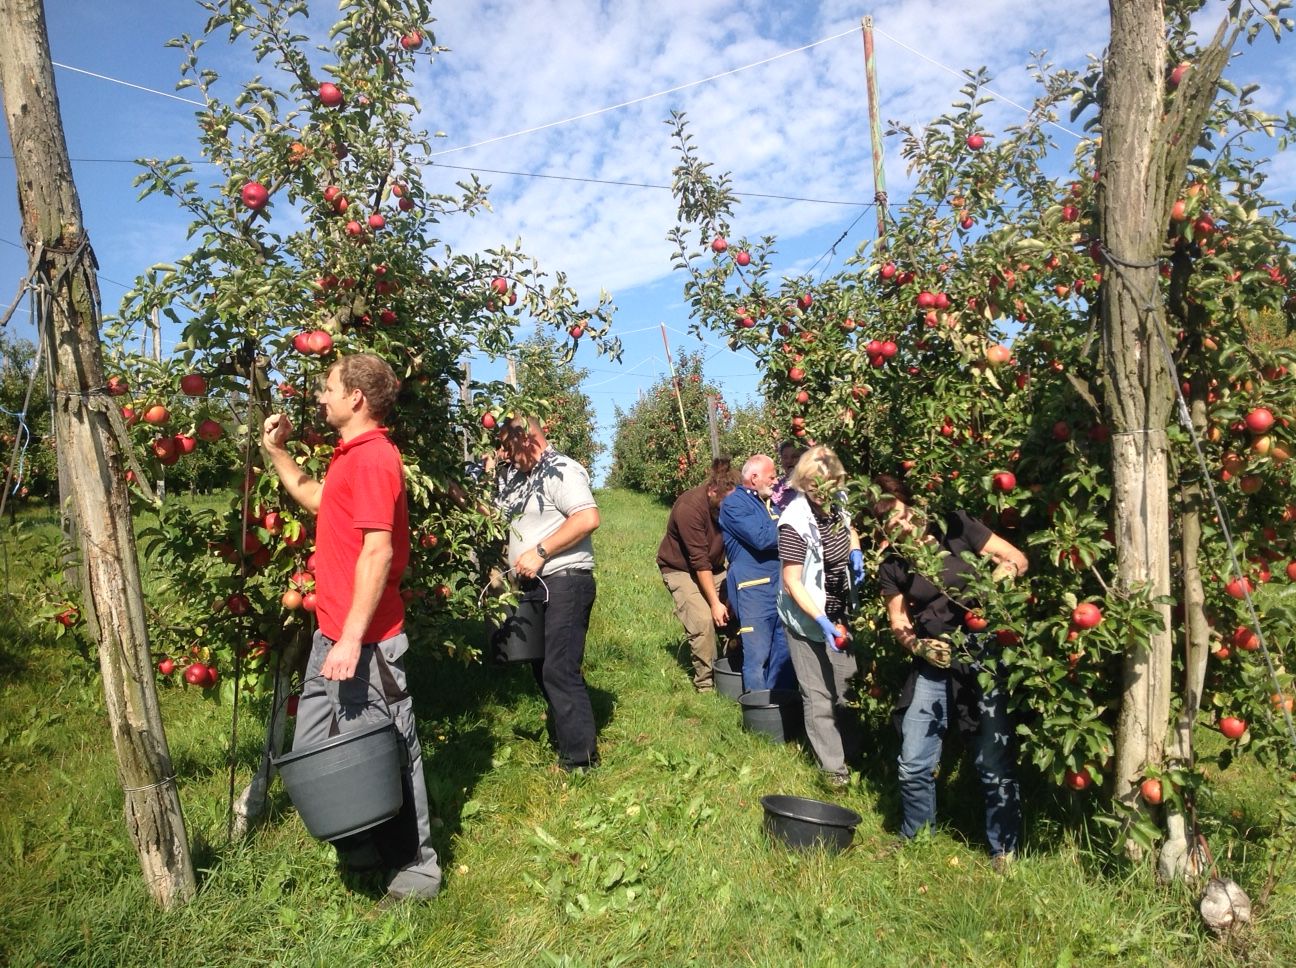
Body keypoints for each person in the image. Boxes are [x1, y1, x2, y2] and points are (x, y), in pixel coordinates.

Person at [261, 353, 441, 902]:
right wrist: (277, 452)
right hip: (332, 633)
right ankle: (361, 841)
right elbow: (318, 499)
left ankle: (416, 870)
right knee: (319, 744)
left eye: (328, 387)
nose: (321, 396)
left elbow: (379, 552)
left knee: (391, 745)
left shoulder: (373, 459)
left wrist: (353, 638)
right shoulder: (349, 457)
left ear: (356, 397)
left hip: (365, 640)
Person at [870, 472, 1029, 867]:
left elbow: (1017, 559)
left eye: (905, 516)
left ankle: (1003, 849)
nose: (904, 527)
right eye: (893, 526)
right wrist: (918, 646)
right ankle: (917, 835)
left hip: (984, 653)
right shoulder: (893, 565)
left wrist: (992, 590)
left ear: (915, 508)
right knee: (914, 757)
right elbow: (899, 622)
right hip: (934, 660)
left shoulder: (956, 528)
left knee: (992, 756)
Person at [495, 415, 601, 772]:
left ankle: (580, 759)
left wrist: (540, 552)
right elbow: (495, 519)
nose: (505, 456)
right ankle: (567, 737)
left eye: (508, 448)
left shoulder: (560, 470)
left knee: (559, 667)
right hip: (536, 586)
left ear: (527, 439)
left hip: (566, 581)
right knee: (542, 668)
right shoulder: (520, 478)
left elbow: (587, 517)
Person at [775, 445, 865, 786]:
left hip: (840, 610)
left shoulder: (837, 502)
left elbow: (850, 528)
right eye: (819, 486)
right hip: (806, 617)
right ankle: (834, 772)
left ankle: (854, 754)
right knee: (819, 695)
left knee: (847, 686)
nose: (826, 492)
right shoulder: (794, 521)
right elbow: (792, 581)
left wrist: (855, 551)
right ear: (806, 482)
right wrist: (821, 620)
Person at [657, 458, 738, 692]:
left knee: (742, 604)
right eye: (726, 502)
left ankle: (732, 662)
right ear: (713, 490)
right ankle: (706, 684)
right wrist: (714, 603)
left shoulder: (730, 504)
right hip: (681, 569)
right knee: (703, 620)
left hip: (714, 566)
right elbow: (699, 561)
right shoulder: (689, 508)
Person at [719, 453, 795, 692]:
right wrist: (792, 528)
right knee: (757, 656)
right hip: (753, 591)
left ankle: (779, 707)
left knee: (782, 654)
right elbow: (762, 538)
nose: (775, 481)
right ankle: (759, 713)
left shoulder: (769, 503)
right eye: (771, 477)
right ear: (754, 477)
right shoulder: (734, 504)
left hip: (779, 587)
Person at [769, 440, 803, 510]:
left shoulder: (809, 485)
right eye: (785, 457)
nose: (789, 461)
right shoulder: (775, 489)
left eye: (794, 457)